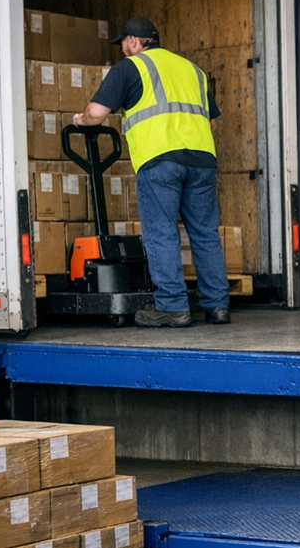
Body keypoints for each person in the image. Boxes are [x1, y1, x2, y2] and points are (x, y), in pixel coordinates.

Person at [74, 17, 230, 329]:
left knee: (161, 233)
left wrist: (80, 120)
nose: (121, 48)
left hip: (159, 160)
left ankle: (172, 306)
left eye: (123, 42)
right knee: (205, 233)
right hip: (201, 159)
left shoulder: (131, 68)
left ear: (134, 40)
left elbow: (96, 112)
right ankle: (217, 307)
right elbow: (212, 123)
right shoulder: (192, 70)